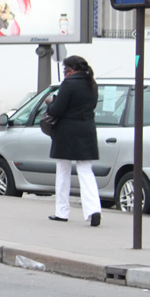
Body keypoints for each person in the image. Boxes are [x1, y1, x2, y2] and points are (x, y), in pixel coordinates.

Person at [44, 55, 101, 226]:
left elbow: (57, 110)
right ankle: (93, 210)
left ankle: (62, 212)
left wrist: (50, 102)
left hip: (67, 132)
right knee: (86, 171)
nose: (63, 73)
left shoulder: (68, 84)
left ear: (70, 70)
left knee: (63, 171)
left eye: (64, 69)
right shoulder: (92, 84)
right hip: (87, 130)